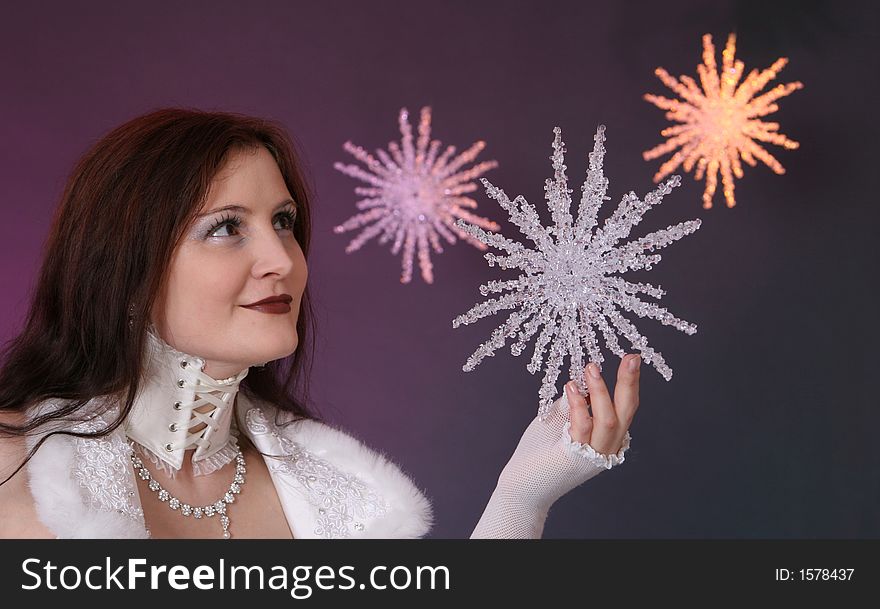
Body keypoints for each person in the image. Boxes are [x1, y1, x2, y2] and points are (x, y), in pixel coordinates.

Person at [0, 108, 638, 539]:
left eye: (282, 222)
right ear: (123, 270)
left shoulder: (328, 493)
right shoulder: (15, 468)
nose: (282, 260)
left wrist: (519, 502)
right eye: (227, 228)